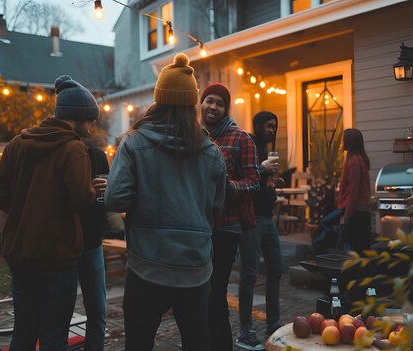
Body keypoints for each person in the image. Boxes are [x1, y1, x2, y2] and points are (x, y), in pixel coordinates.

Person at [105, 53, 226, 351]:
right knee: (197, 342)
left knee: (139, 342)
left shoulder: (134, 142)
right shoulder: (211, 152)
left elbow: (115, 197)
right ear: (192, 105)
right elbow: (217, 208)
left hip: (147, 265)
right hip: (195, 268)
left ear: (159, 100)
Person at [0, 75, 99, 351]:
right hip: (57, 258)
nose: (91, 127)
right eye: (91, 119)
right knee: (54, 337)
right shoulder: (73, 149)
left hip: (20, 255)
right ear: (80, 116)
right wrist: (93, 190)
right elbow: (80, 202)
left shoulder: (18, 143)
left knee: (24, 333)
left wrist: (27, 211)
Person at [200, 83, 260, 351]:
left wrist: (229, 188)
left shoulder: (241, 139)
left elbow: (254, 183)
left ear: (226, 109)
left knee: (215, 295)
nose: (212, 107)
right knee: (198, 295)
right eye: (208, 101)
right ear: (201, 104)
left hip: (225, 228)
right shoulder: (195, 137)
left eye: (219, 103)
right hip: (199, 227)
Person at [236, 111, 284, 350]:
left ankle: (273, 325)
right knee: (249, 274)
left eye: (275, 126)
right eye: (268, 126)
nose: (272, 130)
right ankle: (245, 330)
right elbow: (243, 175)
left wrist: (273, 183)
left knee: (276, 267)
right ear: (257, 126)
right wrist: (263, 169)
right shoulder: (249, 144)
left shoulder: (267, 148)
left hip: (268, 217)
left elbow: (261, 182)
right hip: (251, 218)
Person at [78, 141, 109, 351]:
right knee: (58, 314)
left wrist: (104, 192)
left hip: (93, 244)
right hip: (62, 248)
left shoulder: (98, 155)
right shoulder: (57, 155)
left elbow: (105, 197)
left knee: (97, 312)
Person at [336, 128, 372, 253]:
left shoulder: (354, 162)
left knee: (357, 251)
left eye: (344, 140)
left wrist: (347, 216)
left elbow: (354, 191)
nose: (342, 143)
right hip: (360, 211)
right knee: (361, 249)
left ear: (350, 142)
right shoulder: (358, 159)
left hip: (357, 212)